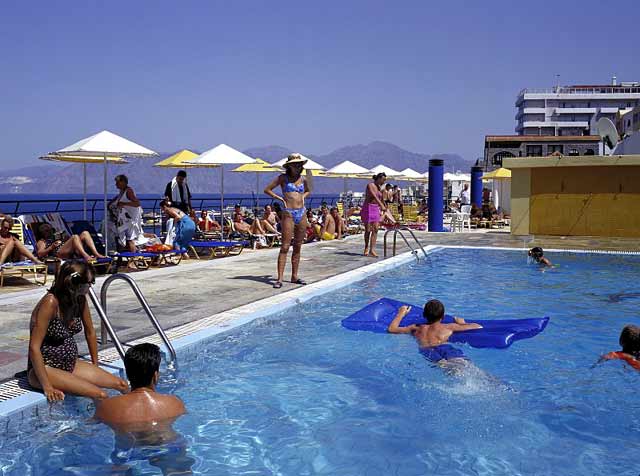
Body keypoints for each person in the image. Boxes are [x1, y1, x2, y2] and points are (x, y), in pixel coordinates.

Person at [28, 261, 128, 401]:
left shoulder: (79, 300)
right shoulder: (50, 303)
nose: (91, 286)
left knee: (122, 384)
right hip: (45, 369)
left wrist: (95, 365)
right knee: (100, 394)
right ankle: (101, 422)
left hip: (69, 364)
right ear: (74, 283)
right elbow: (34, 347)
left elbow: (90, 332)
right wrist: (47, 386)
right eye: (89, 282)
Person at [95, 343, 193, 475]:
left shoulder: (107, 407)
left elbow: (92, 426)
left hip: (128, 452)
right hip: (169, 447)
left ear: (128, 375)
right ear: (155, 376)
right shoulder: (174, 403)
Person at [264, 153, 310, 289]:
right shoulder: (282, 178)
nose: (298, 166)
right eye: (295, 164)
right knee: (285, 246)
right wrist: (280, 198)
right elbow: (267, 189)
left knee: (298, 245)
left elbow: (308, 191)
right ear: (289, 166)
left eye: (299, 164)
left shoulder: (304, 179)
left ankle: (294, 276)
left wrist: (303, 197)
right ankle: (279, 278)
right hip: (288, 213)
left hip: (301, 212)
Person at [387, 299, 482, 362]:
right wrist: (462, 322)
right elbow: (477, 326)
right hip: (445, 348)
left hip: (426, 351)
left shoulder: (416, 328)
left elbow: (392, 329)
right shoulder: (448, 327)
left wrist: (401, 313)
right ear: (443, 317)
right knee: (465, 366)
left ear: (424, 315)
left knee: (445, 367)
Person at [35, 221, 106, 261]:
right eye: (47, 231)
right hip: (58, 253)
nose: (50, 232)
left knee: (85, 233)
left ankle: (96, 253)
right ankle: (86, 256)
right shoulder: (42, 241)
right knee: (74, 237)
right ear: (43, 233)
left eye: (51, 230)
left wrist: (65, 239)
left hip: (69, 250)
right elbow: (40, 253)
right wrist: (51, 247)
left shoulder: (55, 236)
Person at [109, 174, 143, 252]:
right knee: (121, 238)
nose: (116, 185)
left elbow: (137, 203)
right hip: (124, 220)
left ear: (123, 182)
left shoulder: (129, 191)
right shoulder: (121, 192)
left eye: (117, 183)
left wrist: (124, 204)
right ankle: (125, 258)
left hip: (130, 219)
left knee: (130, 239)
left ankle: (132, 260)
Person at [361, 172, 387, 257]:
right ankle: (366, 247)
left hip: (376, 208)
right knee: (368, 230)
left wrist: (384, 205)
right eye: (383, 180)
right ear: (378, 178)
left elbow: (381, 198)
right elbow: (374, 196)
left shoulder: (380, 188)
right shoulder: (370, 185)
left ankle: (372, 249)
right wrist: (381, 205)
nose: (384, 182)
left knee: (375, 229)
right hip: (368, 207)